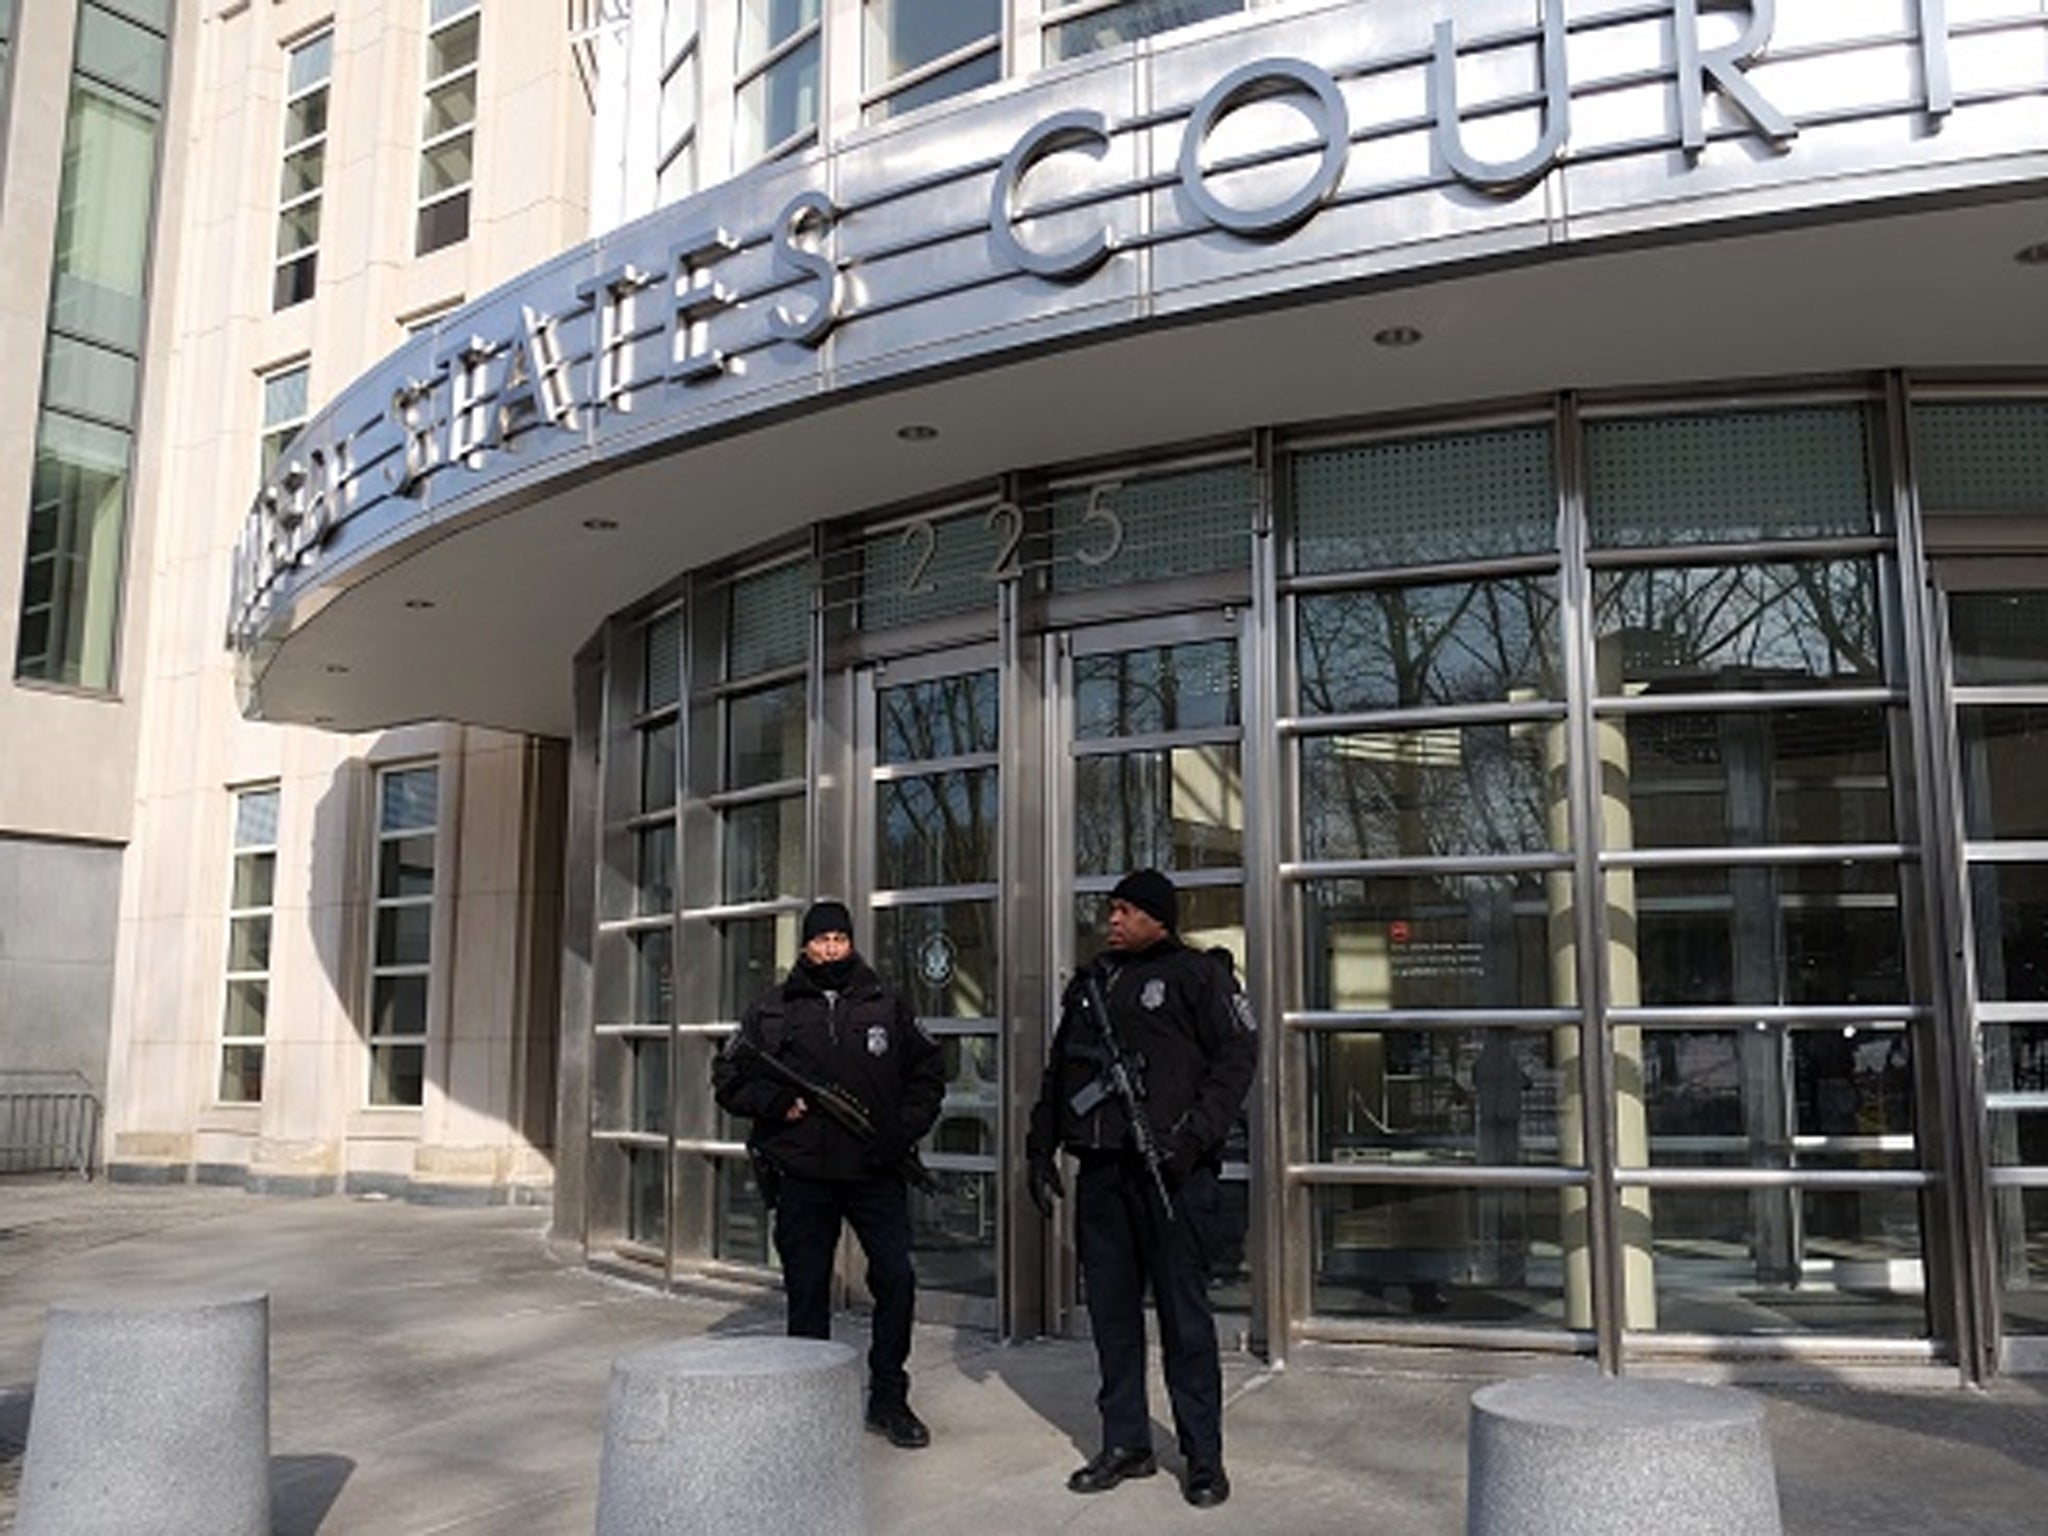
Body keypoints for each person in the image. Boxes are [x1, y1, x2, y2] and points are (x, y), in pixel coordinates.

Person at [1025, 869, 1258, 1509]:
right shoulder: (1091, 983)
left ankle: (1203, 1456)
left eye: (1127, 910)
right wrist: (1039, 1144)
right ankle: (1126, 1441)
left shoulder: (1199, 976)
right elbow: (1057, 1071)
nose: (1114, 920)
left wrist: (1194, 1137)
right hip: (1102, 1173)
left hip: (1173, 1175)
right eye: (1112, 910)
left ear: (1159, 916)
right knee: (1112, 1316)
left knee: (1185, 1320)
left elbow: (1237, 1060)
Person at [713, 899, 945, 1449]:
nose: (832, 949)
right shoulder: (771, 1011)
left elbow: (929, 1073)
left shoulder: (886, 1005)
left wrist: (903, 1129)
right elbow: (728, 1080)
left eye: (841, 939)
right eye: (823, 940)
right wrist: (777, 1104)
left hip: (875, 1169)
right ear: (805, 945)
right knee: (807, 1290)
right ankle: (809, 1401)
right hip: (803, 1173)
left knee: (896, 1279)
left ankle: (889, 1397)